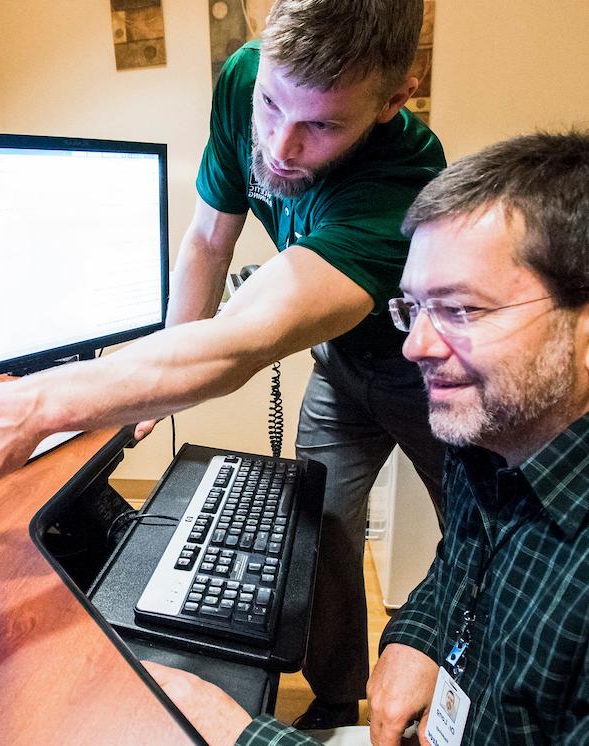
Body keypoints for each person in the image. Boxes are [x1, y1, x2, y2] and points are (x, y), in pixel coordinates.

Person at [0, 0, 446, 726]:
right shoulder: (245, 78)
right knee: (321, 524)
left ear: (395, 99)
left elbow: (242, 343)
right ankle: (333, 702)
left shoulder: (402, 184)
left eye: (322, 126)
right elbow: (205, 244)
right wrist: (151, 381)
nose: (281, 149)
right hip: (338, 370)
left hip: (420, 370)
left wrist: (34, 404)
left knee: (479, 536)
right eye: (272, 109)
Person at [145, 131, 589, 745]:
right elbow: (463, 565)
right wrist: (420, 635)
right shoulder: (493, 448)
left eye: (460, 310)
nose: (415, 347)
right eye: (412, 309)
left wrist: (240, 737)